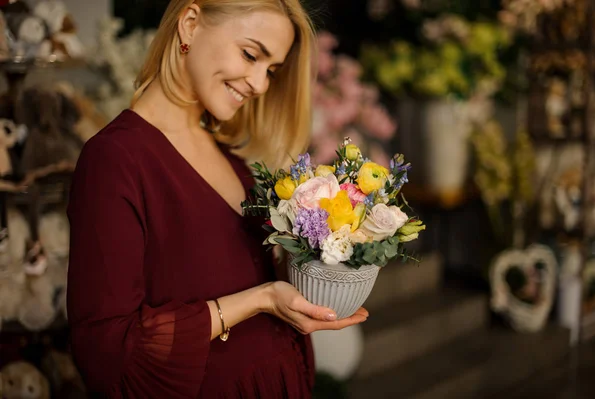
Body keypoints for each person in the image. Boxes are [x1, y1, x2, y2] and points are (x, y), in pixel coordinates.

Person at [66, 1, 369, 398]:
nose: (260, 84)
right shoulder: (114, 159)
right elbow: (106, 351)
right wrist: (260, 300)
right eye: (250, 54)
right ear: (190, 24)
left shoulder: (234, 161)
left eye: (271, 71)